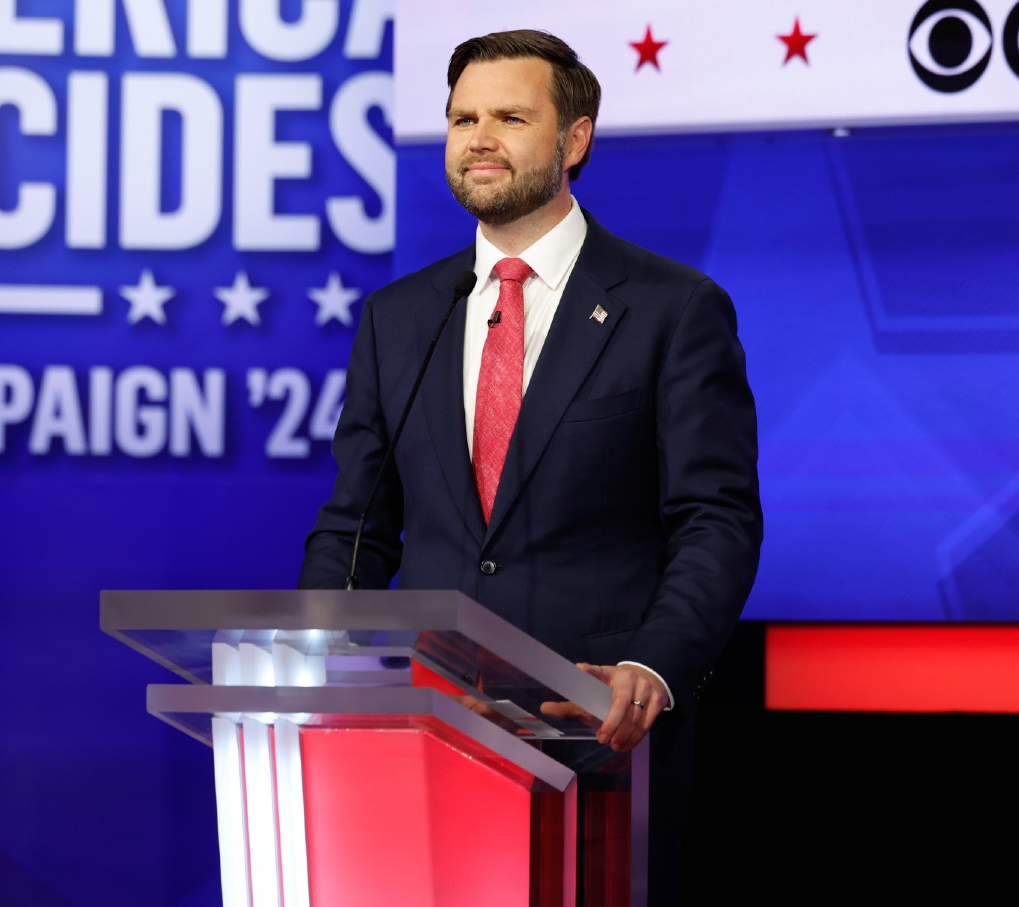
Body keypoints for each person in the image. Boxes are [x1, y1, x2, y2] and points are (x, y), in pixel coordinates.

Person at [299, 29, 762, 904]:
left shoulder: (672, 309)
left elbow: (717, 518)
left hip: (592, 736)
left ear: (573, 140)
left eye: (510, 116)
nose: (479, 138)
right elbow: (354, 524)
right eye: (462, 117)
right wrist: (324, 658)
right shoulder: (399, 318)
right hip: (422, 729)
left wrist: (653, 670)